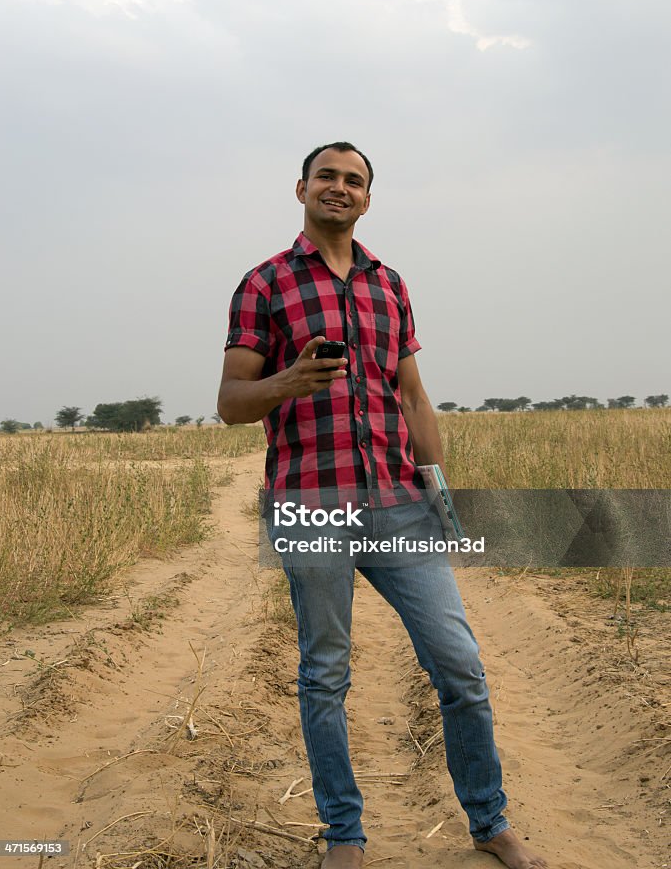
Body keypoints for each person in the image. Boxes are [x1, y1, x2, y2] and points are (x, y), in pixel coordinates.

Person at [217, 142, 547, 869]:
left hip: (399, 504)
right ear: (302, 188)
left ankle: (488, 820)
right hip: (310, 502)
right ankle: (344, 834)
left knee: (458, 665)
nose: (339, 188)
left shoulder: (389, 284)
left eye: (354, 180)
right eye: (327, 177)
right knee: (325, 673)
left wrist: (441, 496)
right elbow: (230, 402)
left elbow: (412, 396)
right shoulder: (264, 283)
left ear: (367, 199)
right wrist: (288, 381)